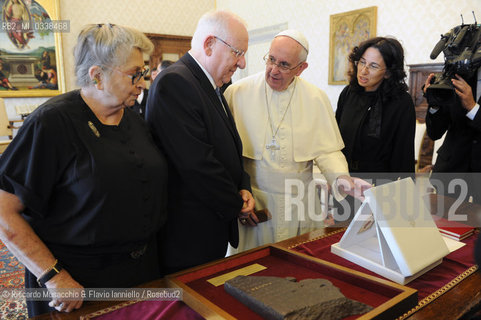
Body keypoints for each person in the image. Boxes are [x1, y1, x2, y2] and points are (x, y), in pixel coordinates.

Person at [0, 23, 168, 317]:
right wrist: (54, 276)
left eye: (143, 73)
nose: (142, 83)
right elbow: (4, 210)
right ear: (97, 75)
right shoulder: (51, 123)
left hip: (141, 273)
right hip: (77, 283)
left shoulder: (135, 120)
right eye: (134, 74)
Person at [224, 29, 370, 253]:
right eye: (271, 59)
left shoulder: (315, 98)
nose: (273, 70)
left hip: (299, 205)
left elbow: (328, 151)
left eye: (284, 65)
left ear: (301, 68)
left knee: (298, 272)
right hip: (255, 202)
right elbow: (225, 153)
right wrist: (235, 199)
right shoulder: (237, 93)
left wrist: (342, 179)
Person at [146, 10, 254, 274]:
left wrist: (243, 186)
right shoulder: (176, 82)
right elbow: (197, 164)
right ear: (209, 45)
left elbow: (228, 147)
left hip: (208, 226)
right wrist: (236, 203)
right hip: (188, 236)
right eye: (237, 53)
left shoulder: (209, 85)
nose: (241, 64)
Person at [335, 37, 416, 174]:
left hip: (380, 185)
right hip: (344, 178)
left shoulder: (401, 103)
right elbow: (335, 138)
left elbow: (403, 155)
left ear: (388, 72)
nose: (363, 71)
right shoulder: (349, 93)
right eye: (362, 62)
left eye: (373, 66)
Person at [423, 67, 481, 202]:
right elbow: (435, 133)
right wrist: (435, 103)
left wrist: (473, 108)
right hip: (450, 175)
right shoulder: (456, 76)